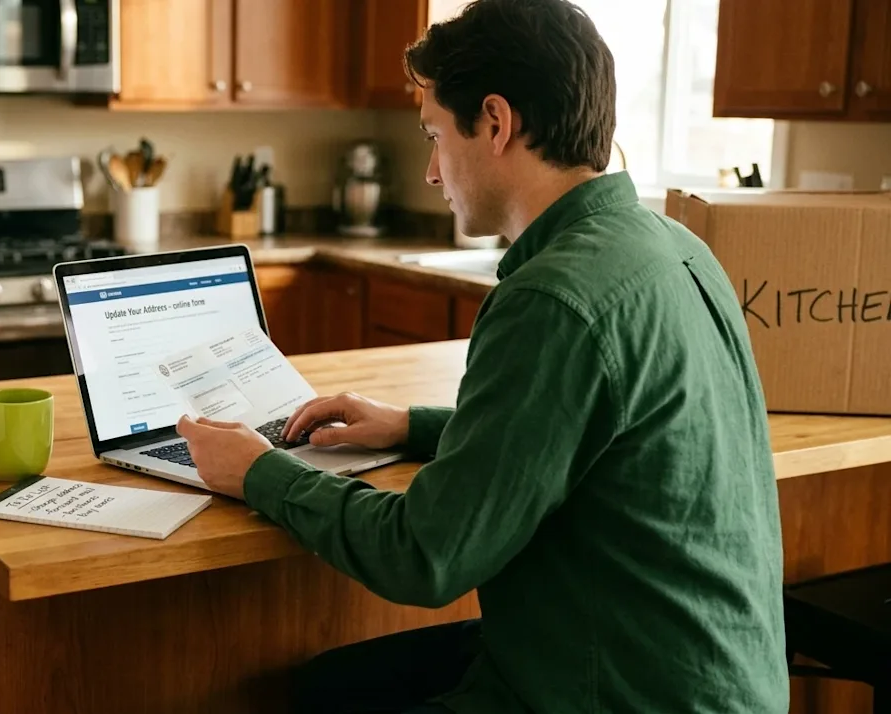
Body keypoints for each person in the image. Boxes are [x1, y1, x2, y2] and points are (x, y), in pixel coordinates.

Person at [174, 0, 789, 711]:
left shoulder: (554, 297)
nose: (432, 172)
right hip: (707, 680)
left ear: (495, 123)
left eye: (435, 135)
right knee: (328, 685)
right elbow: (590, 435)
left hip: (613, 690)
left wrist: (261, 473)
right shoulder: (677, 249)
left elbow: (425, 556)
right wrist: (413, 426)